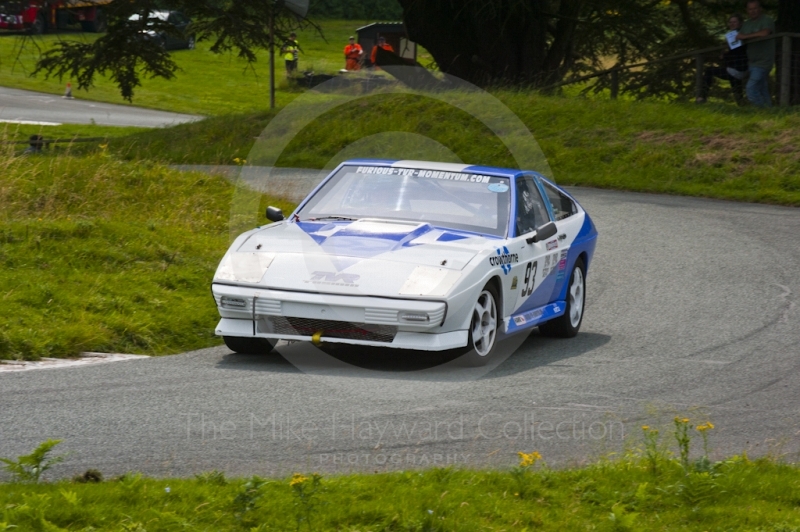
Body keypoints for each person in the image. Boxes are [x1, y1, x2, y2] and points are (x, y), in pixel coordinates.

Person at [697, 14, 748, 105]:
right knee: (737, 91)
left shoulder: (741, 36)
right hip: (737, 69)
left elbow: (737, 53)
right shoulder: (733, 36)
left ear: (740, 24)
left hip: (736, 69)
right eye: (730, 22)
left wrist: (724, 55)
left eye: (734, 22)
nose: (732, 24)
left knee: (709, 70)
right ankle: (742, 106)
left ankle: (702, 97)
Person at [736, 0, 775, 107]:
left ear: (760, 9)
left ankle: (763, 111)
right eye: (750, 9)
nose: (753, 11)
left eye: (755, 8)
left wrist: (745, 36)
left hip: (764, 61)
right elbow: (739, 37)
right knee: (762, 88)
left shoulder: (766, 20)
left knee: (751, 88)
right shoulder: (747, 24)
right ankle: (770, 111)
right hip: (752, 62)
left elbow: (765, 33)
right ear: (747, 11)